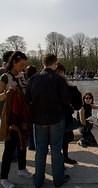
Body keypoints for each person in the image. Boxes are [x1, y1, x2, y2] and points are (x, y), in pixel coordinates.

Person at [26, 54, 70, 187]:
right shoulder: (59, 79)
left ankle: (39, 180)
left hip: (39, 119)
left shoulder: (33, 78)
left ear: (43, 63)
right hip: (56, 118)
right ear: (55, 63)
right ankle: (58, 180)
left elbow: (28, 99)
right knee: (56, 150)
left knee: (41, 151)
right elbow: (66, 100)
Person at [0, 51, 32, 188]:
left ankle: (22, 169)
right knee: (10, 147)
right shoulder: (5, 77)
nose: (23, 67)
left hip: (23, 116)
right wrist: (6, 94)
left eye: (25, 65)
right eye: (21, 64)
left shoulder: (22, 76)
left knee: (23, 144)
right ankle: (3, 178)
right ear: (14, 62)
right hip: (11, 117)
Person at [56, 63, 82, 165]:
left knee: (65, 139)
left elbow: (78, 105)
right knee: (58, 141)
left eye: (59, 72)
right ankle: (60, 161)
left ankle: (65, 157)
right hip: (55, 118)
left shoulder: (70, 88)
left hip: (64, 117)